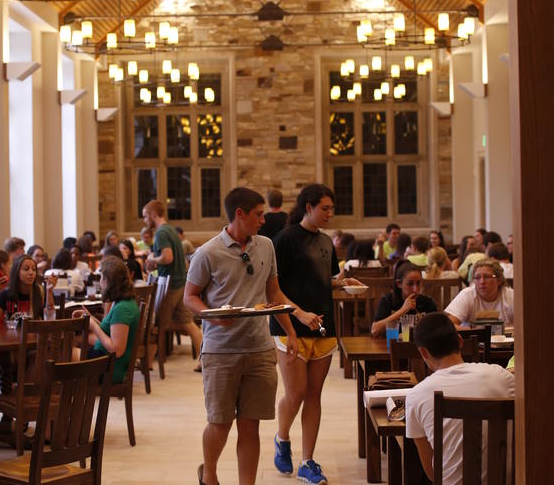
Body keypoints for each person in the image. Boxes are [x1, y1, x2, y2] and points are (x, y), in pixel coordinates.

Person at [184, 187, 313, 485]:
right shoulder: (207, 252)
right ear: (239, 214)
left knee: (250, 425)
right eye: (258, 214)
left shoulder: (266, 246)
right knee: (219, 423)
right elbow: (189, 298)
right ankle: (211, 475)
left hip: (259, 348)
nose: (263, 220)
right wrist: (213, 318)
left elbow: (274, 293)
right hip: (220, 351)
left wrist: (290, 330)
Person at [271, 184, 361, 484]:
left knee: (313, 396)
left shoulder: (325, 242)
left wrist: (344, 284)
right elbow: (273, 289)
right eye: (325, 208)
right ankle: (282, 438)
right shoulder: (284, 240)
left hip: (324, 328)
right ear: (308, 207)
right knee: (295, 394)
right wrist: (298, 312)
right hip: (291, 328)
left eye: (331, 208)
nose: (329, 214)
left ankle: (308, 461)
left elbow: (323, 281)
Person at [405, 312, 514, 484]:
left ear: (423, 353)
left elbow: (433, 474)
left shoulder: (417, 395)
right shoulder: (501, 376)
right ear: (460, 341)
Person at [142, 200, 202, 372]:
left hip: (170, 285)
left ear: (154, 214)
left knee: (157, 324)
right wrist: (156, 261)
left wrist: (153, 258)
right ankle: (204, 360)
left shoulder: (161, 233)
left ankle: (147, 364)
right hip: (180, 282)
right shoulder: (171, 230)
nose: (145, 220)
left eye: (146, 216)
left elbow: (168, 258)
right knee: (188, 324)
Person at [72, 256, 140, 384]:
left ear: (108, 281)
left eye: (102, 277)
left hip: (109, 368)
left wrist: (94, 326)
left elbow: (116, 350)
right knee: (62, 348)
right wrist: (91, 318)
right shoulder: (121, 302)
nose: (100, 281)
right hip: (102, 359)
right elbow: (110, 329)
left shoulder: (123, 308)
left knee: (61, 352)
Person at [371, 261, 437, 337]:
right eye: (410, 284)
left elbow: (436, 331)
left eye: (418, 283)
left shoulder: (427, 303)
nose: (415, 289)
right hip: (392, 346)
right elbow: (375, 330)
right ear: (399, 284)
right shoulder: (388, 301)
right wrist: (402, 310)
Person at [445, 258, 514, 327]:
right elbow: (448, 326)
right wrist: (478, 332)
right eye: (477, 277)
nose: (482, 282)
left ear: (499, 280)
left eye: (487, 277)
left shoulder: (510, 295)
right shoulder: (467, 295)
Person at [0, 254, 55, 321]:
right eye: (26, 269)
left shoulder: (40, 290)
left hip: (35, 331)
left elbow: (50, 319)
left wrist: (49, 291)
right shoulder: (6, 293)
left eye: (34, 269)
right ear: (16, 272)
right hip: (13, 331)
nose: (31, 273)